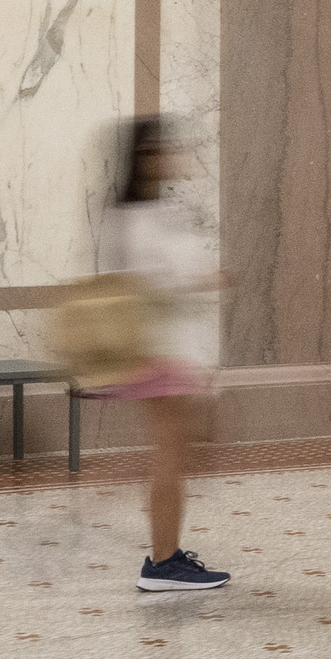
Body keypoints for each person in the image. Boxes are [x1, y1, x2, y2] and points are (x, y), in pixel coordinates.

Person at [99, 115, 229, 594]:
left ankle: (166, 555)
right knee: (170, 457)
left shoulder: (149, 211)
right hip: (158, 351)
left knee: (173, 454)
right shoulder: (139, 218)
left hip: (166, 350)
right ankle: (162, 562)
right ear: (147, 157)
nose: (176, 157)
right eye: (166, 150)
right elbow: (153, 283)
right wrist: (205, 279)